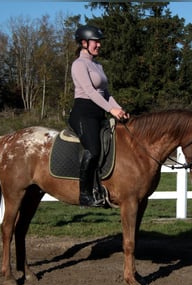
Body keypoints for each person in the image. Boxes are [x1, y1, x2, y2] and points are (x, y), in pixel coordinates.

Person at [68, 25, 129, 207]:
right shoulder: (79, 64)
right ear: (84, 43)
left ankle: (105, 188)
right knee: (93, 150)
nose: (99, 45)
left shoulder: (97, 65)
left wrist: (119, 109)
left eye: (99, 42)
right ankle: (84, 194)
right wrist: (111, 111)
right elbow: (90, 92)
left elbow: (106, 93)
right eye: (96, 41)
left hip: (99, 112)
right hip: (83, 113)